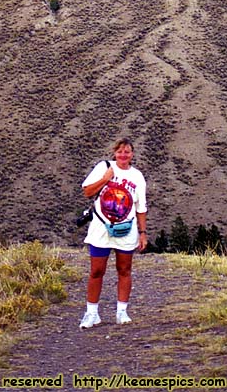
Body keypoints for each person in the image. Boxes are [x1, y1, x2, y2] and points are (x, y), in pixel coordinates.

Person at [79, 137, 148, 328]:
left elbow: (141, 207)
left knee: (124, 270)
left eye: (127, 151)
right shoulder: (104, 167)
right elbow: (87, 192)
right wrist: (105, 179)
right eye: (120, 151)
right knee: (96, 271)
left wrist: (142, 233)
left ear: (132, 154)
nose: (123, 155)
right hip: (101, 228)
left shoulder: (137, 176)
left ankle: (122, 312)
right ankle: (92, 313)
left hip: (126, 229)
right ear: (114, 153)